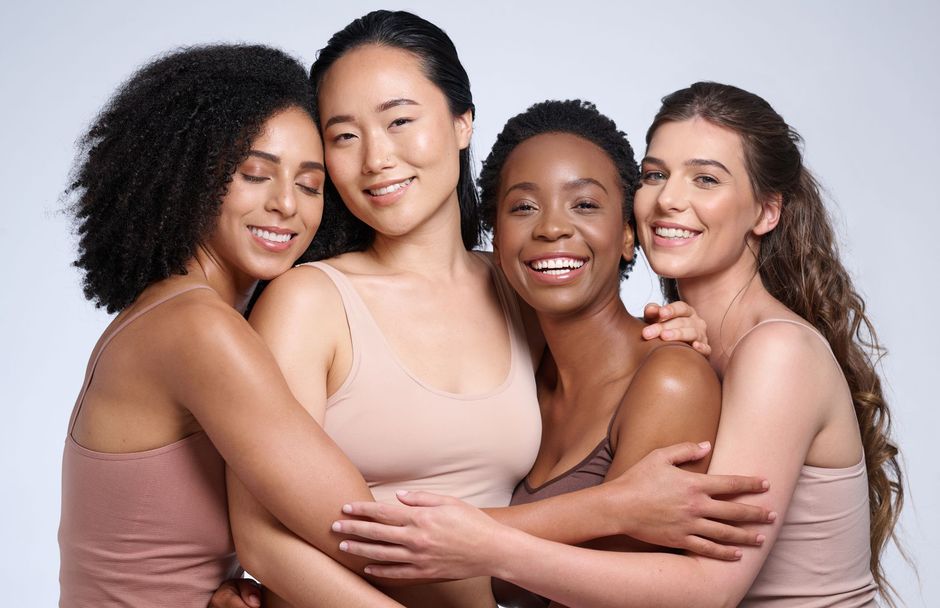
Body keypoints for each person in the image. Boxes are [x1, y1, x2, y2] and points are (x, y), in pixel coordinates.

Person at [224, 13, 772, 608]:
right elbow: (262, 541)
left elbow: (605, 351)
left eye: (400, 120)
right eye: (344, 136)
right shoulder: (307, 302)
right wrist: (611, 507)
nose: (376, 157)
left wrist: (680, 330)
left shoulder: (521, 287)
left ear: (462, 123)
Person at [333, 83, 904, 608]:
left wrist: (484, 541)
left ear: (766, 210)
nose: (669, 201)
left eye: (705, 179)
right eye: (656, 175)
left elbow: (708, 593)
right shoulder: (678, 340)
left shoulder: (772, 353)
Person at [59, 43, 404, 608]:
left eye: (311, 185)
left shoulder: (175, 313)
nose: (287, 204)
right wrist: (523, 549)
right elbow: (361, 534)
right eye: (254, 174)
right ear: (189, 174)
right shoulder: (198, 330)